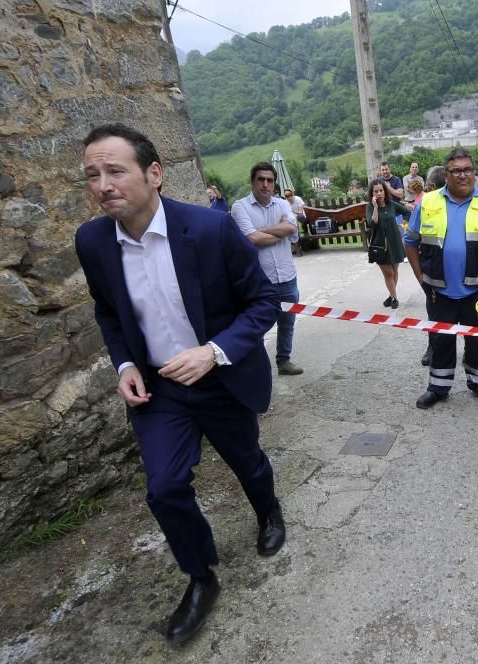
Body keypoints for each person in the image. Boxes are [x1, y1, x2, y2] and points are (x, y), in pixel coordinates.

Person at [74, 124, 285, 645]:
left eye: (114, 171)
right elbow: (108, 312)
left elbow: (263, 303)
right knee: (164, 488)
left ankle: (268, 510)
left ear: (154, 174)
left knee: (246, 461)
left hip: (221, 378)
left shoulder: (208, 230)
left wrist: (213, 352)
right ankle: (200, 577)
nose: (103, 185)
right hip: (159, 387)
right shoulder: (93, 241)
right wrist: (123, 365)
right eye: (92, 175)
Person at [405, 148, 478, 409]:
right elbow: (410, 242)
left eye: (467, 169)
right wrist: (420, 277)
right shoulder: (428, 202)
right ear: (447, 174)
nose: (463, 175)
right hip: (437, 290)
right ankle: (438, 387)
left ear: (474, 173)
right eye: (456, 171)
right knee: (440, 341)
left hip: (477, 292)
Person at [231, 162, 304, 376]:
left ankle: (284, 361)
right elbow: (251, 240)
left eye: (269, 180)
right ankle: (257, 368)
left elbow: (291, 228)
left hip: (287, 276)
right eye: (260, 180)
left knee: (287, 323)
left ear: (274, 184)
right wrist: (275, 233)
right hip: (259, 280)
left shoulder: (282, 204)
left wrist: (261, 231)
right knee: (257, 328)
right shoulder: (240, 207)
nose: (265, 184)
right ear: (253, 182)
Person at [418, 165, 448, 368]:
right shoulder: (426, 205)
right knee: (434, 313)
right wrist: (420, 274)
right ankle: (432, 348)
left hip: (447, 271)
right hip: (432, 272)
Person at [366, 178, 411, 309]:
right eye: (376, 191)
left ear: (385, 191)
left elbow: (406, 212)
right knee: (388, 273)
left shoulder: (391, 204)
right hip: (379, 245)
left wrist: (404, 224)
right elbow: (372, 224)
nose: (379, 193)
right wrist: (375, 207)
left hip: (395, 242)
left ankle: (391, 296)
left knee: (395, 271)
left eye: (381, 190)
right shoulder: (369, 207)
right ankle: (395, 298)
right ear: (372, 193)